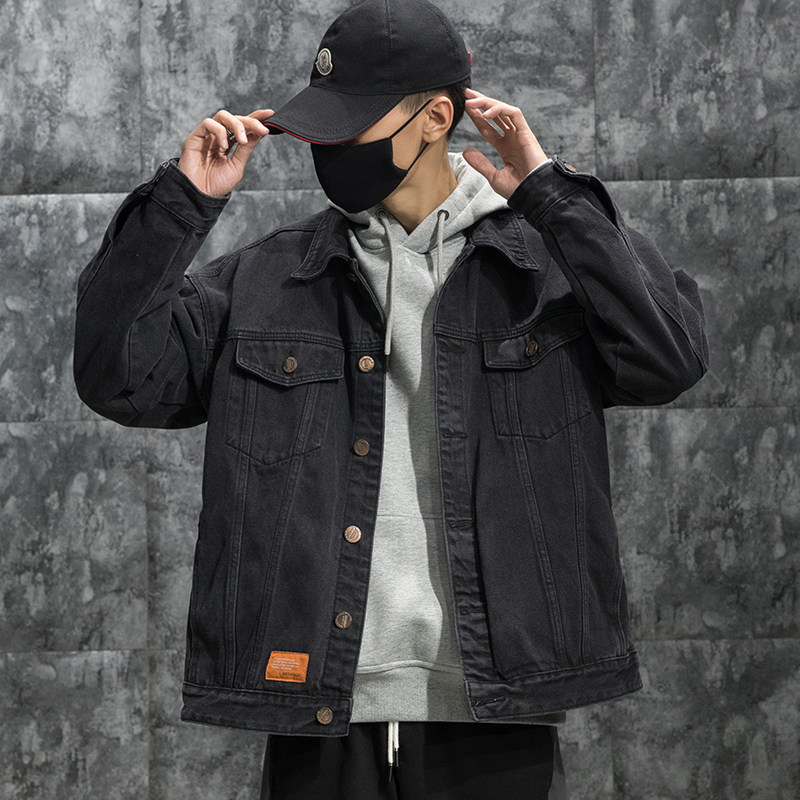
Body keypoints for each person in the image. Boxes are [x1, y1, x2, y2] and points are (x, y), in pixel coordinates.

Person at [73, 0, 708, 797]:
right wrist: (180, 206)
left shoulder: (547, 272)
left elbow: (668, 359)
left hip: (495, 710)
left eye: (353, 127)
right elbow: (119, 377)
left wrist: (552, 197)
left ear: (436, 118)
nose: (331, 150)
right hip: (319, 706)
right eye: (323, 129)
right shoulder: (266, 283)